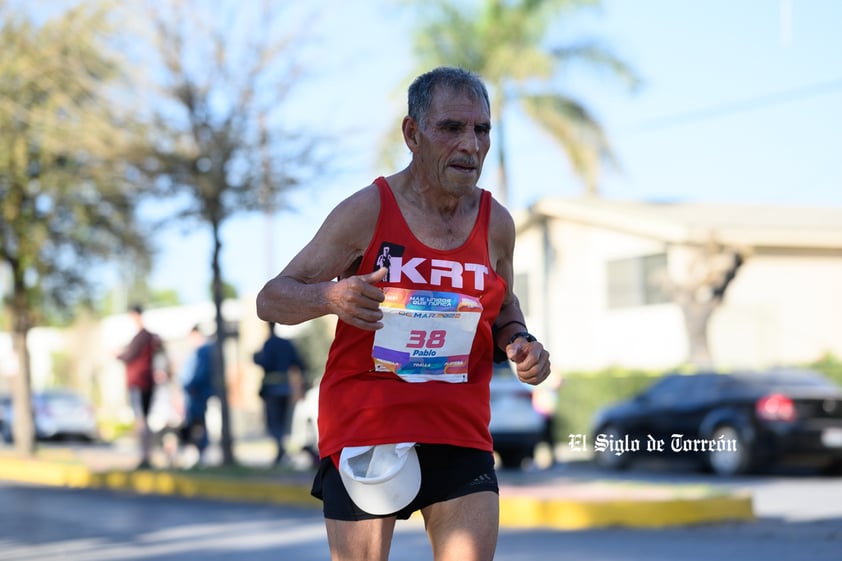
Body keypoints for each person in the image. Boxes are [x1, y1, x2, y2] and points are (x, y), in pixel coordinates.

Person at [256, 66, 552, 561]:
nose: (471, 145)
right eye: (452, 128)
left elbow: (501, 303)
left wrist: (520, 342)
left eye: (482, 130)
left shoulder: (496, 222)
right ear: (412, 134)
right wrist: (331, 297)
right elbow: (272, 298)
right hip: (367, 424)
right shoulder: (368, 211)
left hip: (459, 426)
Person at [116, 304, 168, 469]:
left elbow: (128, 356)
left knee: (141, 421)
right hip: (147, 382)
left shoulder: (141, 337)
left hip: (138, 382)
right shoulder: (152, 337)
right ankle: (147, 455)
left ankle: (145, 456)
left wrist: (117, 353)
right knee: (145, 420)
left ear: (135, 315)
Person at [252, 322, 306, 465]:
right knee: (283, 421)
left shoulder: (269, 344)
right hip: (285, 388)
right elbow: (299, 363)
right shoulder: (287, 344)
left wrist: (255, 358)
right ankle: (282, 449)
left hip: (272, 389)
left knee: (274, 422)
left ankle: (280, 449)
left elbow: (265, 362)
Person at [178, 325, 215, 467]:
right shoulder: (196, 352)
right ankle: (197, 451)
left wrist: (192, 386)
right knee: (195, 424)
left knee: (198, 424)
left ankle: (201, 451)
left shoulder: (203, 351)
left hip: (197, 393)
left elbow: (200, 373)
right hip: (192, 394)